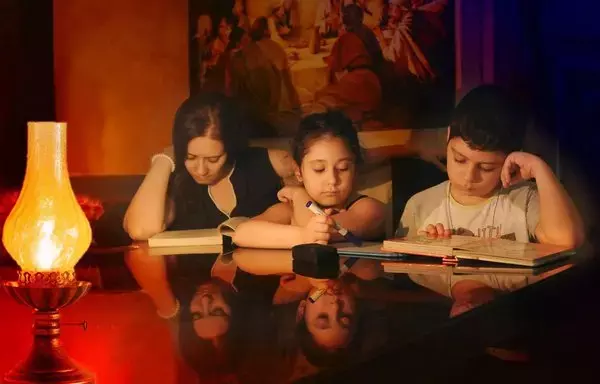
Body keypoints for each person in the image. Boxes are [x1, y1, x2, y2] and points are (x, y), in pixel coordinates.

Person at [396, 84, 585, 248]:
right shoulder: (420, 206)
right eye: (460, 159)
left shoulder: (522, 199)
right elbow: (402, 273)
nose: (469, 177)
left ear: (511, 158)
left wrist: (539, 168)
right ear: (447, 138)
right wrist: (425, 250)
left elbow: (566, 240)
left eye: (486, 168)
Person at [123, 92, 295, 240]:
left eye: (213, 159)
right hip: (198, 277)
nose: (201, 170)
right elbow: (140, 230)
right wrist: (164, 159)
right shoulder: (177, 182)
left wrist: (272, 217)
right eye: (190, 157)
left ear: (231, 147)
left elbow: (310, 210)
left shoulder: (272, 162)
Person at [232, 110, 387, 248]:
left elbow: (320, 227)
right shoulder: (290, 209)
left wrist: (300, 197)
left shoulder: (368, 208)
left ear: (355, 169)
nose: (332, 180)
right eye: (319, 169)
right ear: (299, 172)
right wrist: (303, 236)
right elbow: (242, 233)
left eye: (343, 168)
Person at [309, 31, 382, 123]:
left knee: (320, 99)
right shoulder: (370, 76)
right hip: (365, 109)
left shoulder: (354, 81)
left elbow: (334, 68)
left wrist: (329, 72)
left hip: (360, 120)